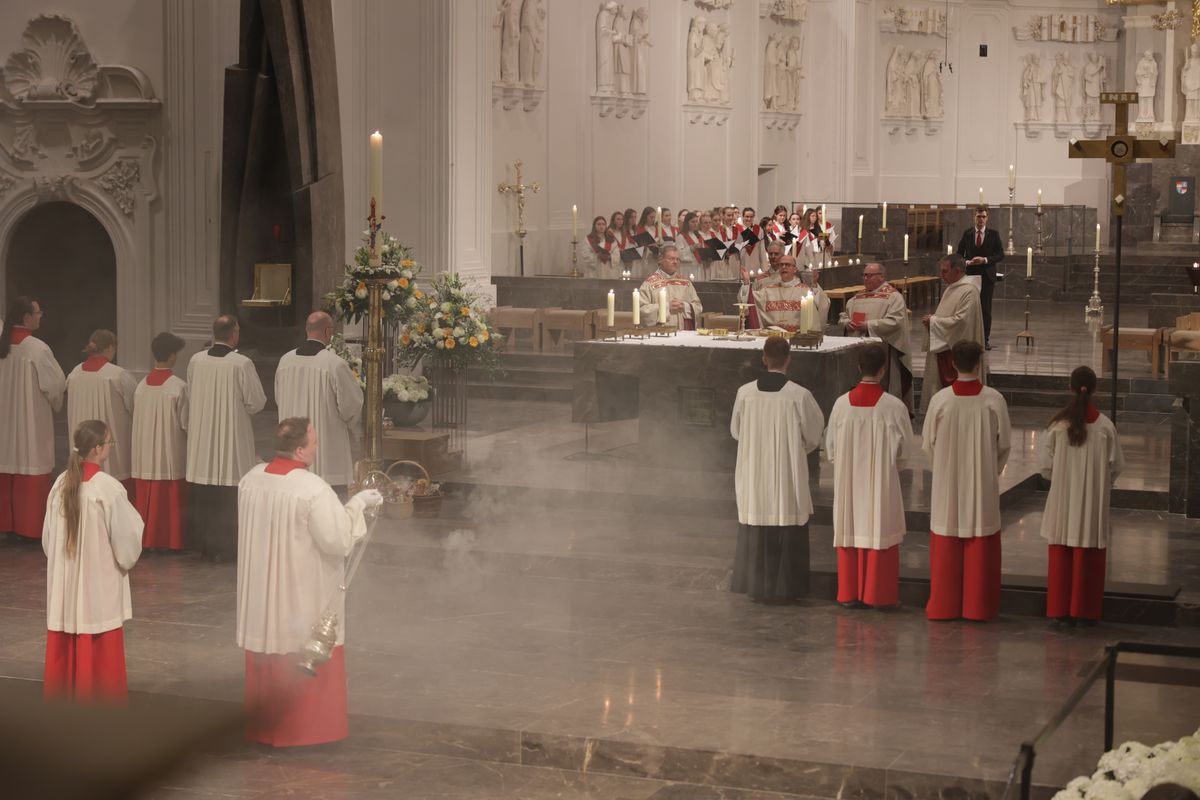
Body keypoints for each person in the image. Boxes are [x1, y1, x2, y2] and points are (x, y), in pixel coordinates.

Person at [237, 417, 383, 747]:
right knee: (301, 642)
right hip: (298, 591)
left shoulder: (250, 480)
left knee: (268, 645)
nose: (317, 447)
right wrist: (359, 502)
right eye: (314, 442)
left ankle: (263, 727)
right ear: (300, 449)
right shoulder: (312, 489)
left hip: (263, 589)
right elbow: (337, 540)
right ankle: (306, 730)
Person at [43, 419, 144, 702]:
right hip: (97, 587)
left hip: (67, 585)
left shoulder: (60, 484)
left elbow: (48, 541)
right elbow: (127, 541)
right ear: (98, 449)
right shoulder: (107, 489)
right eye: (109, 443)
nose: (110, 447)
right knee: (99, 644)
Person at [922, 340, 1011, 622]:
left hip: (948, 482)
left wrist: (944, 468)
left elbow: (927, 443)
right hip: (981, 480)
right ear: (979, 364)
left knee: (947, 535)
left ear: (952, 365)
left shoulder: (940, 401)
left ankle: (944, 606)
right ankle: (978, 606)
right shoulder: (994, 400)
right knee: (979, 536)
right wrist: (989, 470)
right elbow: (1005, 444)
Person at [730, 337, 824, 603]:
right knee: (785, 512)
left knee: (757, 512)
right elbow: (814, 435)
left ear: (763, 358)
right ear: (789, 358)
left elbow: (736, 431)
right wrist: (792, 449)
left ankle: (755, 585)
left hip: (755, 472)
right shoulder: (799, 395)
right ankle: (786, 587)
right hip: (786, 474)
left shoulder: (745, 393)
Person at [825, 343, 913, 609]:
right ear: (884, 369)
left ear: (859, 367)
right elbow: (906, 450)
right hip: (880, 483)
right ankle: (878, 594)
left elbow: (830, 448)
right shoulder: (894, 407)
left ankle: (849, 593)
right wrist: (888, 467)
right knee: (879, 526)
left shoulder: (841, 405)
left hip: (849, 483)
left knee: (850, 525)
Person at [1039, 367, 1124, 625]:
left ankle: (1060, 610)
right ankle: (1084, 611)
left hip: (1063, 500)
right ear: (1095, 389)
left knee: (1062, 551)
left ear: (1071, 388)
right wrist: (1098, 484)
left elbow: (1045, 466)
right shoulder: (1105, 427)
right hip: (1091, 503)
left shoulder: (1057, 426)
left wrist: (1063, 482)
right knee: (1087, 552)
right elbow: (1117, 466)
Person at [186, 315, 267, 562]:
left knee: (205, 490)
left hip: (202, 437)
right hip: (231, 438)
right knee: (230, 491)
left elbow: (191, 393)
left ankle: (204, 547)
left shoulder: (195, 361)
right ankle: (230, 548)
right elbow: (256, 402)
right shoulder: (241, 364)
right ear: (234, 333)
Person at [0, 297, 66, 540]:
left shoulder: (3, 345)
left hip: (4, 421)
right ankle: (28, 529)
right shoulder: (37, 349)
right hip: (30, 419)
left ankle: (5, 527)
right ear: (26, 317)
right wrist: (55, 403)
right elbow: (55, 384)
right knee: (30, 457)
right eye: (38, 312)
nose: (41, 316)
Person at [275, 312, 364, 493]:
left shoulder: (285, 361)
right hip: (326, 452)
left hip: (292, 449)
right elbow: (351, 406)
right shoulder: (334, 364)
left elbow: (279, 398)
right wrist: (354, 427)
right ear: (328, 331)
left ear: (307, 330)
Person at [132, 332, 190, 550]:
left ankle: (147, 540)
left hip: (145, 452)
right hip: (169, 451)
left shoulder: (140, 387)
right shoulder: (178, 387)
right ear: (173, 356)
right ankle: (171, 541)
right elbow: (186, 423)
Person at [66, 330, 137, 498]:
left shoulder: (74, 373)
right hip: (111, 453)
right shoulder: (117, 375)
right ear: (110, 347)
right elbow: (134, 406)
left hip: (82, 446)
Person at [839, 262, 914, 414]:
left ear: (881, 277)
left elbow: (895, 322)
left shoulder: (893, 297)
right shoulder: (857, 297)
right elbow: (844, 316)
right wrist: (847, 323)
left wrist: (868, 325)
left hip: (884, 350)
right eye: (864, 275)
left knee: (884, 386)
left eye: (870, 275)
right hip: (858, 349)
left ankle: (885, 411)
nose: (866, 278)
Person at [921, 255, 985, 410]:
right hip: (945, 346)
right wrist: (934, 320)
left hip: (956, 351)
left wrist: (934, 321)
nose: (941, 275)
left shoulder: (969, 291)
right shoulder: (952, 287)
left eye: (945, 271)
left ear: (957, 271)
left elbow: (962, 321)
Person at [955, 205, 1004, 349]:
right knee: (968, 308)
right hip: (970, 276)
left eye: (983, 217)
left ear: (987, 218)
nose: (981, 219)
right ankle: (969, 338)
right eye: (978, 216)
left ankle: (984, 339)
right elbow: (959, 254)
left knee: (985, 309)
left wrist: (985, 260)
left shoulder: (993, 234)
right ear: (974, 217)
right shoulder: (968, 234)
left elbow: (1000, 254)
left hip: (987, 277)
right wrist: (966, 262)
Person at [637, 245, 703, 329]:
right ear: (660, 260)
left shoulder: (686, 283)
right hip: (659, 333)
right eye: (671, 259)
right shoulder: (649, 284)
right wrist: (667, 306)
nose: (675, 262)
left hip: (683, 333)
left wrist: (684, 306)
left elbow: (698, 307)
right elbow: (641, 310)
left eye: (677, 259)